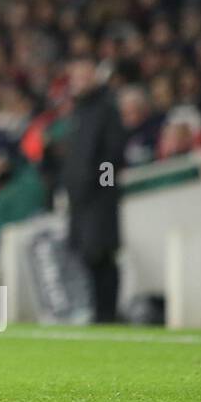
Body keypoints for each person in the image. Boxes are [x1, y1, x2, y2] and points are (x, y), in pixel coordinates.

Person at [59, 55, 126, 323]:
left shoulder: (106, 108)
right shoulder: (79, 111)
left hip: (99, 198)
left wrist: (103, 188)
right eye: (74, 77)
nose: (78, 82)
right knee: (89, 257)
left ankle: (107, 313)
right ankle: (99, 312)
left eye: (83, 76)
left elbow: (113, 153)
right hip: (80, 198)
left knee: (102, 256)